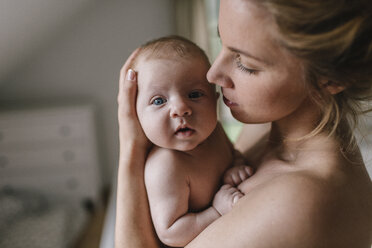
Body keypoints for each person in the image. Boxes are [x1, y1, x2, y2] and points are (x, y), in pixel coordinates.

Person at [116, 0, 372, 247]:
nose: (212, 75)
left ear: (329, 77)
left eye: (245, 64)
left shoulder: (300, 201)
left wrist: (131, 149)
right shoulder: (266, 128)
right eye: (222, 42)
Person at [128, 36, 253, 247]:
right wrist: (215, 211)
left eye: (195, 94)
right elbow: (171, 233)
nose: (180, 109)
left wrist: (236, 166)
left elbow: (233, 153)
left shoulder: (214, 133)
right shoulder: (165, 166)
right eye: (159, 100)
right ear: (136, 114)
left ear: (215, 102)